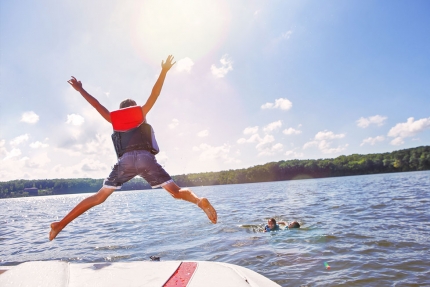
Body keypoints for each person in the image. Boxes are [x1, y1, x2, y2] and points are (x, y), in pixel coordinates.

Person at [49, 55, 217, 241]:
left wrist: (80, 89)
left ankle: (60, 224)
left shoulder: (114, 119)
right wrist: (163, 71)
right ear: (135, 109)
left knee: (99, 197)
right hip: (146, 158)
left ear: (120, 111)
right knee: (176, 192)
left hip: (126, 161)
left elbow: (96, 104)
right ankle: (198, 201)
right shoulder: (141, 113)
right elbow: (155, 94)